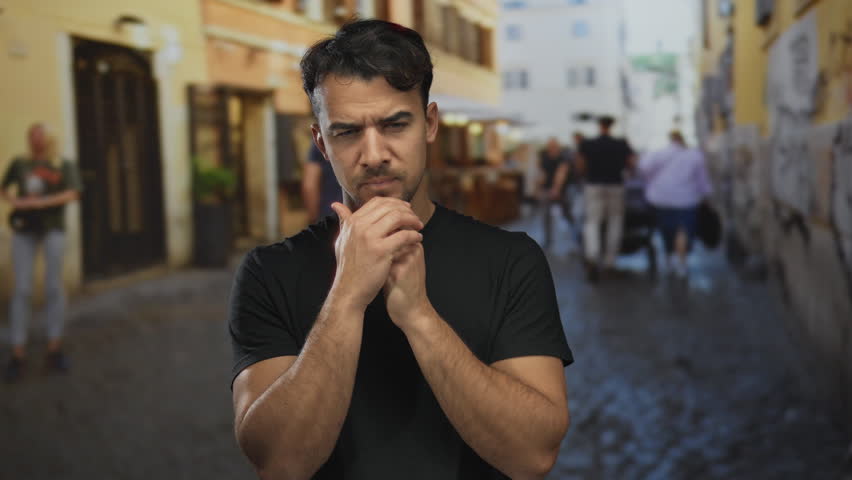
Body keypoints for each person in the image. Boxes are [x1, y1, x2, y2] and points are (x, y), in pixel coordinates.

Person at [228, 20, 573, 479]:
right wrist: (347, 295)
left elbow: (532, 456)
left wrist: (419, 316)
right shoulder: (270, 270)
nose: (373, 153)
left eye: (394, 124)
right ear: (321, 143)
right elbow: (280, 463)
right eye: (347, 132)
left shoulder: (511, 260)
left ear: (429, 123)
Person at [1, 124, 82, 383]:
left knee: (54, 287)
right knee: (22, 290)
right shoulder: (19, 164)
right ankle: (17, 352)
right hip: (24, 230)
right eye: (32, 136)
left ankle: (54, 348)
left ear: (49, 140)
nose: (37, 141)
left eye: (41, 137)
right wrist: (15, 202)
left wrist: (40, 203)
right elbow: (3, 188)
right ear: (29, 140)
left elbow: (73, 193)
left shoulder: (62, 164)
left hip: (52, 229)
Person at [639, 130, 713, 278]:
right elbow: (701, 179)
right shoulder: (693, 155)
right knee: (683, 230)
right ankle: (681, 263)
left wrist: (652, 181)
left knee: (667, 230)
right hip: (686, 199)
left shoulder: (658, 154)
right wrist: (706, 195)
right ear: (683, 139)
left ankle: (670, 258)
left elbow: (643, 168)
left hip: (661, 198)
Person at [576, 116, 635, 281]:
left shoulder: (587, 144)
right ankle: (610, 262)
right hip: (616, 185)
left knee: (592, 222)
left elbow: (580, 164)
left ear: (599, 125)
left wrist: (585, 173)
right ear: (611, 126)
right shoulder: (621, 143)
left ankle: (593, 257)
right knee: (615, 222)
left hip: (594, 185)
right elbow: (631, 163)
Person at [538, 137, 572, 248]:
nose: (551, 148)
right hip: (546, 189)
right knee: (546, 216)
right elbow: (542, 173)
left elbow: (561, 173)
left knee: (567, 214)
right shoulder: (544, 157)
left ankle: (571, 239)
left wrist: (556, 189)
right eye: (550, 145)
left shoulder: (562, 158)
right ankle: (548, 240)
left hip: (561, 191)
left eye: (553, 145)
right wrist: (539, 186)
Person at [301, 141, 342, 223]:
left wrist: (313, 219)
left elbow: (309, 185)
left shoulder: (322, 140)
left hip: (329, 217)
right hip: (366, 216)